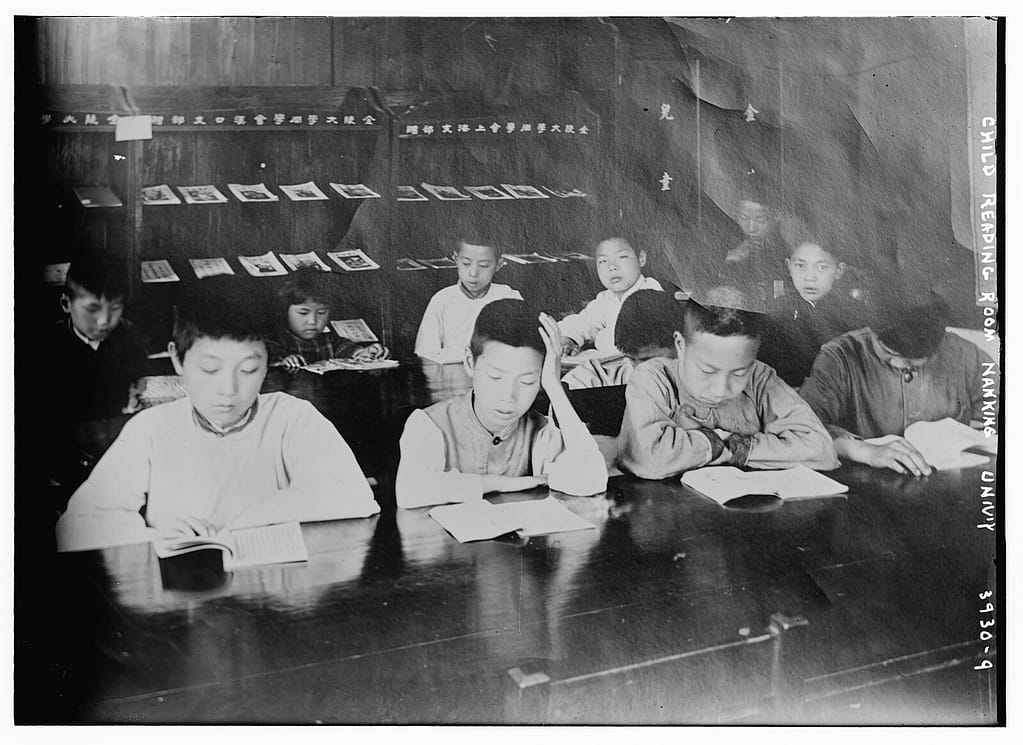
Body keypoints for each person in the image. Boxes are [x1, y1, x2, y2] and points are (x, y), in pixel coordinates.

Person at [55, 279, 380, 551]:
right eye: (210, 369)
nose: (229, 389)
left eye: (249, 369)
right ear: (177, 360)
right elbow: (77, 525)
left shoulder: (291, 417)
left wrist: (249, 516)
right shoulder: (152, 428)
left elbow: (355, 498)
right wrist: (156, 536)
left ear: (269, 360)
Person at [396, 299, 608, 509]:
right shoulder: (429, 425)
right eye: (495, 377)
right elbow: (409, 491)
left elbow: (592, 481)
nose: (508, 397)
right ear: (470, 362)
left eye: (527, 381)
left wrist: (553, 385)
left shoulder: (541, 431)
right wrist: (497, 483)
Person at [617, 298, 838, 479]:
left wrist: (728, 446)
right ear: (680, 346)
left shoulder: (759, 377)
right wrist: (739, 446)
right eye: (707, 370)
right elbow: (649, 457)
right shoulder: (653, 377)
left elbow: (820, 449)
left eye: (739, 373)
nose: (721, 389)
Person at [798, 292, 994, 476]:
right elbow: (804, 429)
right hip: (865, 487)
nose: (903, 366)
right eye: (890, 355)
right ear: (873, 333)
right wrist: (864, 451)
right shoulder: (840, 356)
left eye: (918, 361)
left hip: (945, 480)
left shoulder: (964, 353)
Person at [44, 250, 150, 498]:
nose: (104, 321)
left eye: (114, 308)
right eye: (92, 308)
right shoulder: (47, 347)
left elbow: (137, 387)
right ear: (66, 304)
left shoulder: (129, 338)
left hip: (117, 449)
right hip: (66, 457)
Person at [760, 238, 870, 387]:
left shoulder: (854, 313)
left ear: (839, 270)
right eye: (800, 266)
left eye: (822, 267)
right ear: (789, 267)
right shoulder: (776, 309)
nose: (809, 277)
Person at [414, 234, 522, 364]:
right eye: (466, 263)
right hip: (453, 377)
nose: (473, 273)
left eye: (483, 265)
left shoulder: (508, 295)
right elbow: (426, 353)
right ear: (455, 259)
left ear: (498, 265)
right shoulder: (442, 300)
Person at [557, 237, 664, 356]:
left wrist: (597, 337)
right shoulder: (606, 298)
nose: (612, 267)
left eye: (622, 257)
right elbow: (582, 322)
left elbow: (630, 343)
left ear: (641, 258)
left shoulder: (651, 292)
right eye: (603, 261)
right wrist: (568, 339)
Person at [269, 268, 388, 369]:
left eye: (321, 312)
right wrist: (284, 363)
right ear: (285, 311)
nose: (312, 321)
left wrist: (365, 352)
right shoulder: (276, 342)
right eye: (303, 312)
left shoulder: (329, 340)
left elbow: (347, 349)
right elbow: (271, 359)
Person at [562, 289, 680, 389]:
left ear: (681, 345)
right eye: (632, 360)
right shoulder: (610, 376)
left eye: (648, 361)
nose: (640, 372)